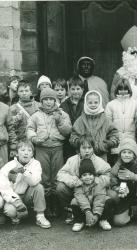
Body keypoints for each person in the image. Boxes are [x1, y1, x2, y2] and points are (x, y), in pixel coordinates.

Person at [27, 88, 72, 216]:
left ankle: (57, 203)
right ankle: (46, 204)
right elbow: (30, 128)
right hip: (42, 148)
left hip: (57, 147)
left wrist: (59, 121)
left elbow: (68, 130)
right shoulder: (36, 115)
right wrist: (34, 138)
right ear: (41, 101)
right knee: (44, 176)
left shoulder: (62, 114)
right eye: (45, 99)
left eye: (51, 99)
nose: (48, 102)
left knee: (57, 175)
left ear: (55, 100)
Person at [56, 135, 111, 224]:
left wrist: (97, 180)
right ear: (78, 149)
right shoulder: (72, 160)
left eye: (89, 148)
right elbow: (60, 174)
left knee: (111, 194)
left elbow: (108, 174)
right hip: (77, 190)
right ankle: (71, 211)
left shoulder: (99, 161)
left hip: (94, 191)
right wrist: (73, 180)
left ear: (93, 148)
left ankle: (100, 214)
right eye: (84, 148)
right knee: (60, 187)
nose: (87, 151)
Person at [0, 140, 51, 228]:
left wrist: (24, 172)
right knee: (10, 211)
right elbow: (4, 187)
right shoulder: (9, 165)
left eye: (29, 150)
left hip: (27, 195)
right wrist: (16, 201)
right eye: (23, 150)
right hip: (14, 197)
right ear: (17, 153)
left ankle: (40, 216)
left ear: (32, 154)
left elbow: (34, 181)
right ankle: (17, 216)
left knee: (39, 187)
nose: (26, 153)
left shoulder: (36, 164)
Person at [110, 138, 137, 229]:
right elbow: (112, 184)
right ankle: (129, 213)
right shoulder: (116, 166)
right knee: (119, 222)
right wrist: (118, 189)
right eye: (124, 152)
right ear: (120, 154)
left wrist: (135, 177)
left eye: (130, 152)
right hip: (125, 196)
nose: (126, 155)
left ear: (134, 154)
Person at [70, 90, 119, 161]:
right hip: (84, 155)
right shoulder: (80, 120)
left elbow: (114, 133)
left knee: (102, 171)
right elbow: (73, 135)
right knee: (85, 171)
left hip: (101, 154)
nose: (93, 105)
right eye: (90, 102)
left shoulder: (105, 119)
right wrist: (79, 142)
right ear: (86, 103)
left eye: (96, 102)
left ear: (100, 103)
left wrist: (110, 143)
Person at [110, 25, 137, 104]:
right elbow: (113, 92)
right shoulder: (120, 72)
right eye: (132, 52)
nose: (135, 55)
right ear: (126, 54)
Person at [71, 158, 114, 232]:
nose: (87, 177)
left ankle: (103, 220)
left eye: (90, 174)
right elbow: (81, 199)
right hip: (85, 208)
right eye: (84, 175)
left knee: (108, 200)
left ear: (94, 175)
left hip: (97, 206)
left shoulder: (99, 182)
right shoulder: (78, 184)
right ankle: (79, 221)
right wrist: (87, 212)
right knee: (74, 201)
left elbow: (99, 199)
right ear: (81, 177)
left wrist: (96, 215)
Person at [105, 78, 137, 166]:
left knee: (130, 163)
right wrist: (112, 138)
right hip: (117, 139)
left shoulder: (135, 104)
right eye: (120, 89)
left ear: (129, 90)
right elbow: (108, 124)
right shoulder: (111, 104)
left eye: (125, 89)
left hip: (131, 138)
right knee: (117, 164)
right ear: (117, 90)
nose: (123, 91)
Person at [60, 76, 88, 160]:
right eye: (73, 89)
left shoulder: (86, 103)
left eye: (78, 88)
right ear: (69, 90)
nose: (75, 91)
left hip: (84, 138)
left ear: (83, 89)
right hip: (68, 141)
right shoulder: (64, 105)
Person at [0, 101, 17, 168]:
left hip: (1, 146)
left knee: (3, 171)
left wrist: (13, 147)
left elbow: (11, 129)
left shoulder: (5, 108)